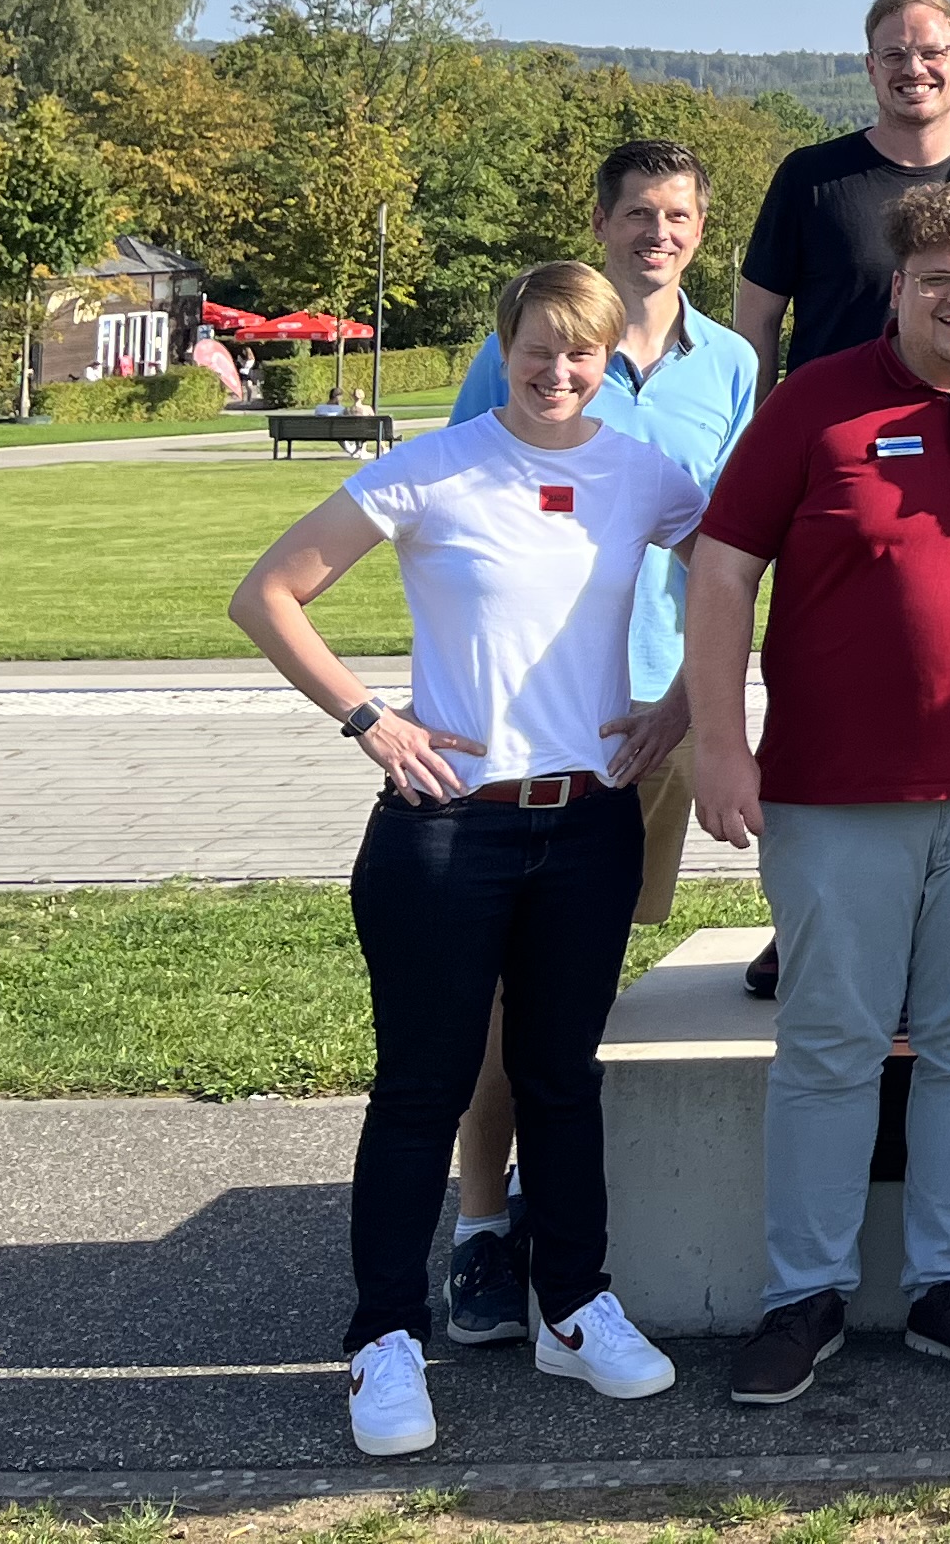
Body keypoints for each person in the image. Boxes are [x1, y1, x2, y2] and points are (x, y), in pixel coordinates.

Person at [225, 261, 700, 1457]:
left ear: (609, 360)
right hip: (448, 826)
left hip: (588, 819)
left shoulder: (642, 472)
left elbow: (738, 580)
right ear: (507, 346)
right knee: (422, 1088)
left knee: (560, 1078)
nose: (557, 372)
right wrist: (370, 718)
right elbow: (268, 594)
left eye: (580, 355)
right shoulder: (435, 466)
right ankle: (384, 1338)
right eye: (537, 349)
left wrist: (682, 705)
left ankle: (575, 1307)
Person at [686, 176, 950, 1407]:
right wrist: (723, 748)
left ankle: (947, 1286)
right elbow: (721, 575)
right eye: (940, 282)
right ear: (898, 289)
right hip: (834, 795)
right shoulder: (816, 402)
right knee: (830, 1042)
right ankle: (802, 1295)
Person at [431, 140, 759, 1346]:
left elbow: (725, 551)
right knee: (508, 988)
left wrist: (695, 704)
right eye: (635, 214)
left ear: (700, 225)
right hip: (528, 718)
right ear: (603, 222)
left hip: (652, 716)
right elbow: (459, 501)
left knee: (583, 973)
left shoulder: (729, 362)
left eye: (677, 214)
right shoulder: (534, 349)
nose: (656, 234)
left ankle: (560, 1212)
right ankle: (480, 1224)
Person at [735, 0, 950, 381]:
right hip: (834, 428)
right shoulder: (810, 178)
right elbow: (756, 324)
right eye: (894, 55)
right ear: (872, 68)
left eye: (932, 53)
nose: (913, 69)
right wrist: (757, 432)